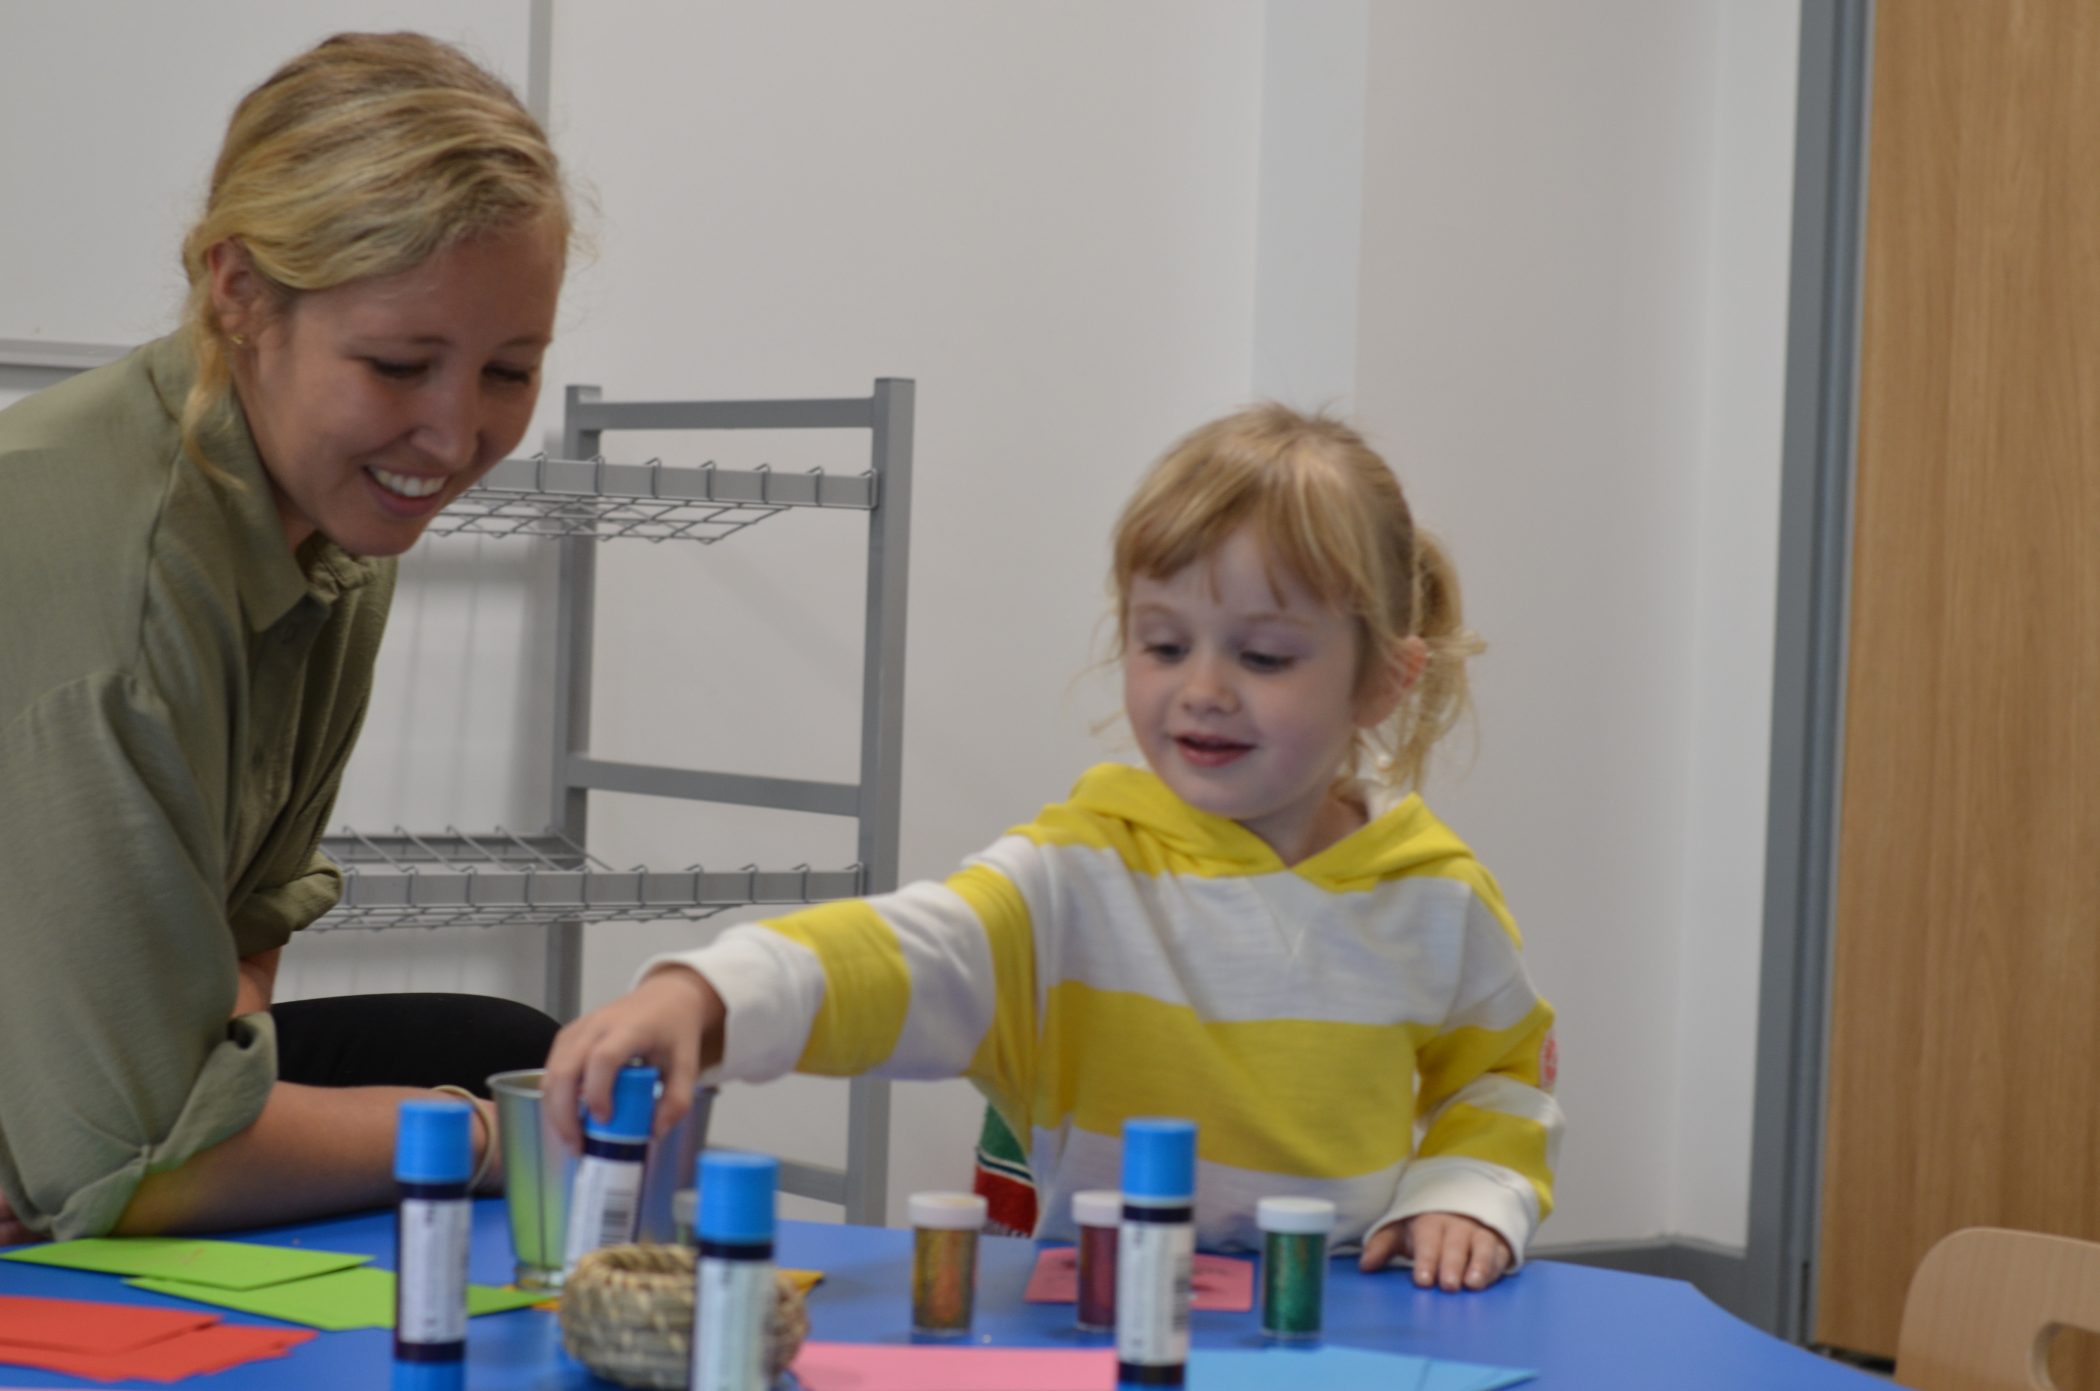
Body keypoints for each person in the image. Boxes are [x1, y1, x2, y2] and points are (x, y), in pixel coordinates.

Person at [546, 404, 1563, 1292]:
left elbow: (1502, 1077)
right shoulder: (1075, 875)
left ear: (1383, 679)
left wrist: (1465, 1191)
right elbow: (903, 953)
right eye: (1163, 644)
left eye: (1263, 654)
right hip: (1105, 1323)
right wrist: (706, 993)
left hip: (1342, 1324)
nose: (1203, 688)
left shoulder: (1437, 896)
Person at [0, 31, 574, 1244]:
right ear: (241, 292)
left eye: (509, 371)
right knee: (521, 1111)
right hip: (58, 1106)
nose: (451, 437)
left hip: (63, 1068)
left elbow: (246, 924)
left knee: (511, 1049)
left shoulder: (331, 520)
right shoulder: (123, 575)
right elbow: (122, 1165)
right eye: (399, 365)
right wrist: (485, 1139)